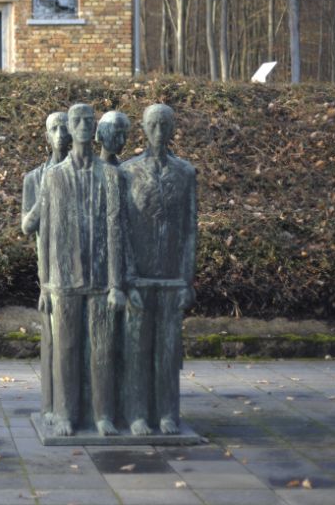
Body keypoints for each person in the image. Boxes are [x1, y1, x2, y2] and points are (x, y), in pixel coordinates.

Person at [36, 103, 127, 436]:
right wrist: (45, 286)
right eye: (78, 121)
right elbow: (45, 233)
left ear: (95, 127)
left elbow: (117, 229)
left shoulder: (111, 176)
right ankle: (65, 414)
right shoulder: (54, 176)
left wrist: (117, 283)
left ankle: (103, 414)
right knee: (67, 350)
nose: (84, 125)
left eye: (90, 121)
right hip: (62, 281)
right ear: (70, 127)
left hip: (102, 280)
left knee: (102, 349)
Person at [119, 104, 197, 435]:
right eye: (153, 123)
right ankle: (136, 414)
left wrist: (187, 280)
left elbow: (191, 228)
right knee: (137, 351)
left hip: (171, 278)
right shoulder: (127, 172)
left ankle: (167, 413)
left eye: (165, 123)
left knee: (167, 351)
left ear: (173, 128)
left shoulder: (185, 172)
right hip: (140, 277)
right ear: (143, 127)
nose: (159, 129)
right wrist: (127, 277)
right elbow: (120, 228)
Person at [21, 111, 70, 421]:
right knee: (52, 343)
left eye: (64, 126)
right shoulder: (34, 178)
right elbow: (27, 226)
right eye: (54, 127)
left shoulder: (84, 173)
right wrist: (44, 195)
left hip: (79, 268)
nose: (61, 132)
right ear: (46, 136)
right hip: (49, 271)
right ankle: (51, 406)